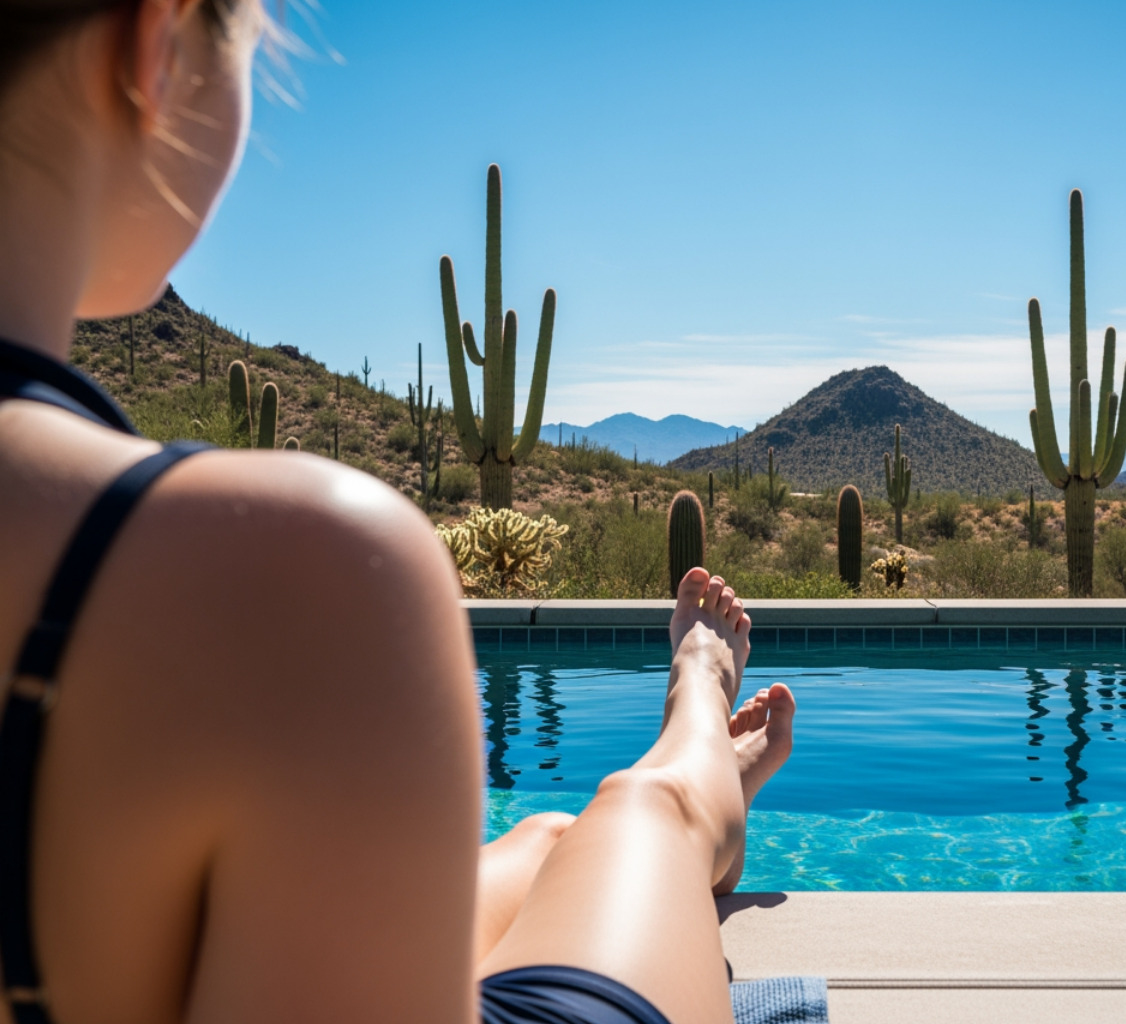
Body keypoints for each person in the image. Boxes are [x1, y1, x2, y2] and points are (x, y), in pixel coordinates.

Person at [0, 2, 796, 1023]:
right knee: (647, 815)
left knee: (553, 838)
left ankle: (682, 786)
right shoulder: (302, 576)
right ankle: (695, 744)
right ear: (150, 46)